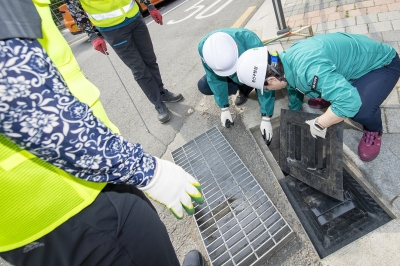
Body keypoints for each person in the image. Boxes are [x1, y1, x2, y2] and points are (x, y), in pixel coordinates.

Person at [0, 1, 204, 265]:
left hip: (24, 223)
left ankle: (161, 93)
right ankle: (157, 102)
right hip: (71, 197)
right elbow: (31, 107)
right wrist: (145, 170)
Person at [236, 32, 400, 162]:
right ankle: (331, 94)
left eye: (265, 87)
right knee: (324, 90)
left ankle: (373, 130)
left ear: (271, 79)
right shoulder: (286, 61)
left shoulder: (309, 70)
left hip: (382, 65)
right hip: (353, 62)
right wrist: (294, 112)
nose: (267, 89)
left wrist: (320, 123)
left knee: (358, 111)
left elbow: (350, 101)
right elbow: (293, 85)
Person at [64, 0, 183, 124]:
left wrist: (150, 6)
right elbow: (73, 7)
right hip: (112, 29)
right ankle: (158, 103)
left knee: (150, 60)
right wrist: (91, 35)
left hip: (134, 18)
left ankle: (161, 92)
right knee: (139, 69)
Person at [198, 28, 276, 145]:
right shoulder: (204, 49)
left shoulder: (251, 42)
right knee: (203, 86)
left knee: (259, 79)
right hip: (230, 76)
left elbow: (265, 80)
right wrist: (224, 107)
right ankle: (242, 87)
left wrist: (266, 116)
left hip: (249, 71)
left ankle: (246, 87)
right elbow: (214, 79)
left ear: (236, 45)